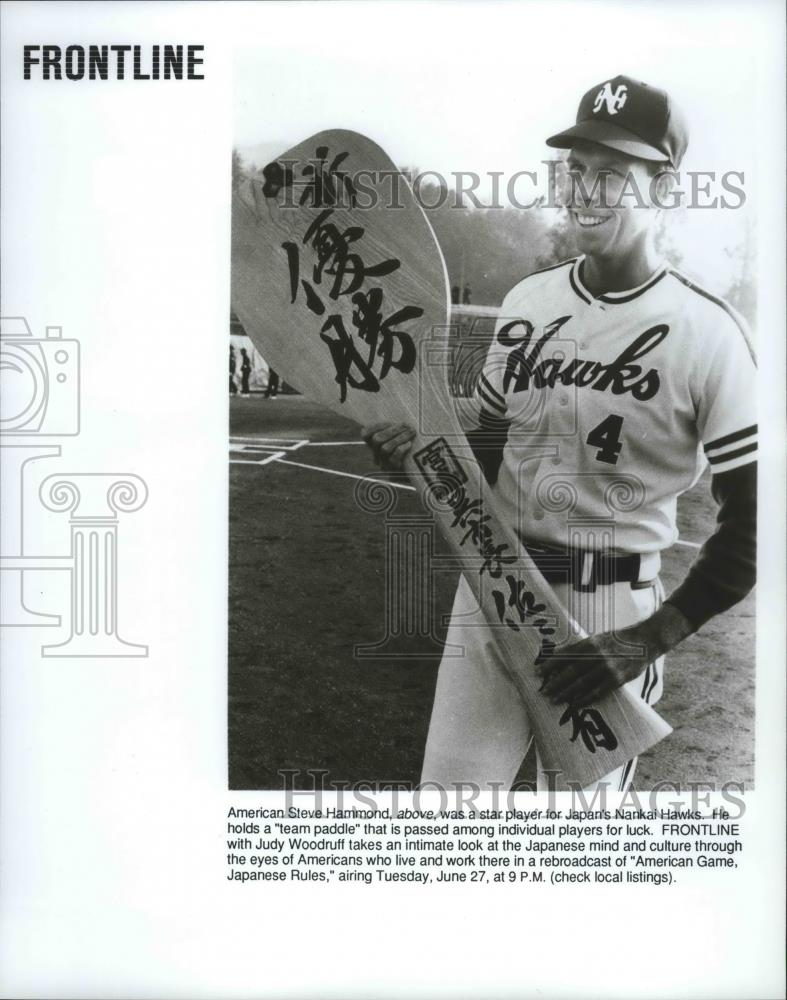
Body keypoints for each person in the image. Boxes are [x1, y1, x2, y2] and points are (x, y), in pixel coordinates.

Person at [362, 75, 757, 792]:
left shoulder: (711, 334)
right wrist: (416, 457)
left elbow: (755, 528)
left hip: (610, 615)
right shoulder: (528, 302)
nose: (583, 191)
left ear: (662, 188)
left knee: (575, 861)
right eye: (575, 170)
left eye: (611, 175)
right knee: (444, 827)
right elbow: (481, 452)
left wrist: (645, 641)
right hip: (490, 592)